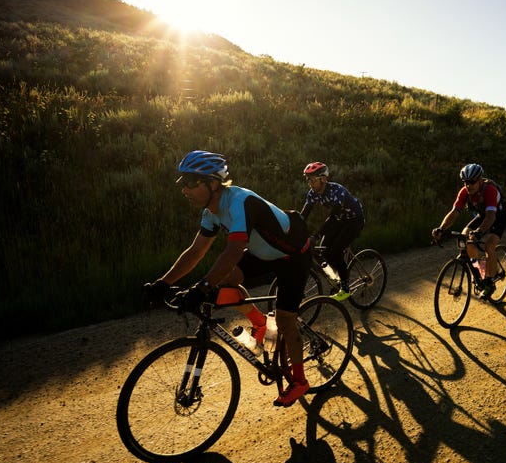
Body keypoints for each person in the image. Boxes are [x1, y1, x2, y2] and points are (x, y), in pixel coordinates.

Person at [144, 150, 314, 407]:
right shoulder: (210, 212)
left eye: (191, 182)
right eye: (182, 183)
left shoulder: (239, 202)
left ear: (213, 183)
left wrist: (201, 287)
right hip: (264, 253)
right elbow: (196, 252)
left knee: (285, 319)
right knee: (223, 282)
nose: (184, 190)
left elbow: (234, 250)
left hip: (293, 255)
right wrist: (163, 283)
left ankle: (300, 382)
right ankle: (259, 324)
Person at [432, 163, 506, 299]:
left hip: (498, 216)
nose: (468, 185)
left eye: (472, 182)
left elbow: (491, 216)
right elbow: (454, 213)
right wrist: (441, 228)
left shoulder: (489, 190)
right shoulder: (464, 192)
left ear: (480, 180)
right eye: (466, 182)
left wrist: (479, 231)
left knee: (489, 246)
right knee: (465, 237)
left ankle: (490, 283)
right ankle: (480, 269)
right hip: (483, 215)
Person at [299, 161, 365, 301]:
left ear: (323, 179)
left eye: (312, 180)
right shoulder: (313, 193)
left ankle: (345, 288)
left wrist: (315, 236)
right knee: (323, 251)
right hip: (341, 220)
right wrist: (291, 229)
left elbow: (333, 217)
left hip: (354, 220)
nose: (309, 183)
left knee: (335, 251)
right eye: (307, 180)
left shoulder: (337, 190)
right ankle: (340, 276)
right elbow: (303, 215)